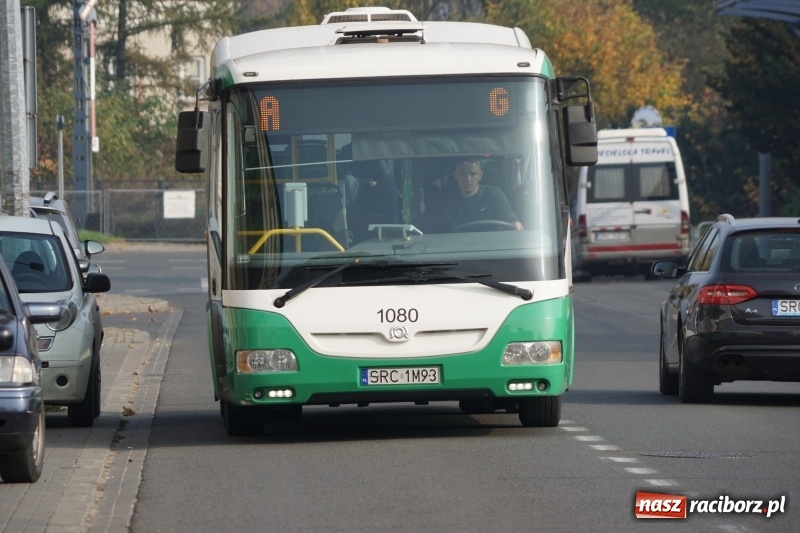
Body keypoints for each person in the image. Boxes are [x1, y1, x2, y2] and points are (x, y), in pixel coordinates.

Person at [419, 158, 523, 232]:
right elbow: (425, 223)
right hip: (456, 256)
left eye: (473, 174)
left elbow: (511, 218)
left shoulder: (493, 194)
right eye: (463, 174)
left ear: (480, 175)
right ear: (455, 175)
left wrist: (516, 225)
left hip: (491, 254)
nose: (468, 179)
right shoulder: (445, 200)